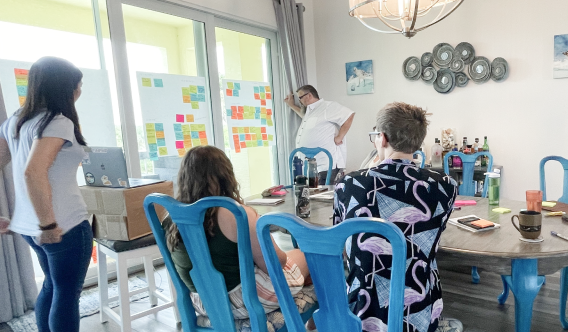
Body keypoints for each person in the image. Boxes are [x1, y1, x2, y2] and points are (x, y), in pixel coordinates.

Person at [333, 102, 463, 332]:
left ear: (382, 138)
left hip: (363, 307)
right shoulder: (446, 185)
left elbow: (343, 244)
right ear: (418, 141)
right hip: (421, 309)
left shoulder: (350, 184)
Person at [162, 145, 315, 327]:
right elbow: (274, 264)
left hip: (202, 302)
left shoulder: (170, 218)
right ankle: (315, 320)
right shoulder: (234, 213)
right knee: (306, 255)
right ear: (226, 176)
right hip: (243, 302)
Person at [0, 56, 92, 332]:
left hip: (30, 227)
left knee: (52, 287)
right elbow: (33, 172)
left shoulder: (17, 120)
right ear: (64, 88)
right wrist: (49, 225)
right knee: (66, 294)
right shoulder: (58, 121)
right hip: (63, 225)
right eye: (78, 85)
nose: (80, 91)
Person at [285, 85, 354, 184]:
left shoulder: (327, 106)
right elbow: (306, 118)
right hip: (312, 166)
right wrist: (291, 105)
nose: (299, 101)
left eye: (300, 98)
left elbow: (349, 114)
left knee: (324, 196)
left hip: (326, 165)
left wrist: (340, 137)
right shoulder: (310, 112)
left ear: (308, 95)